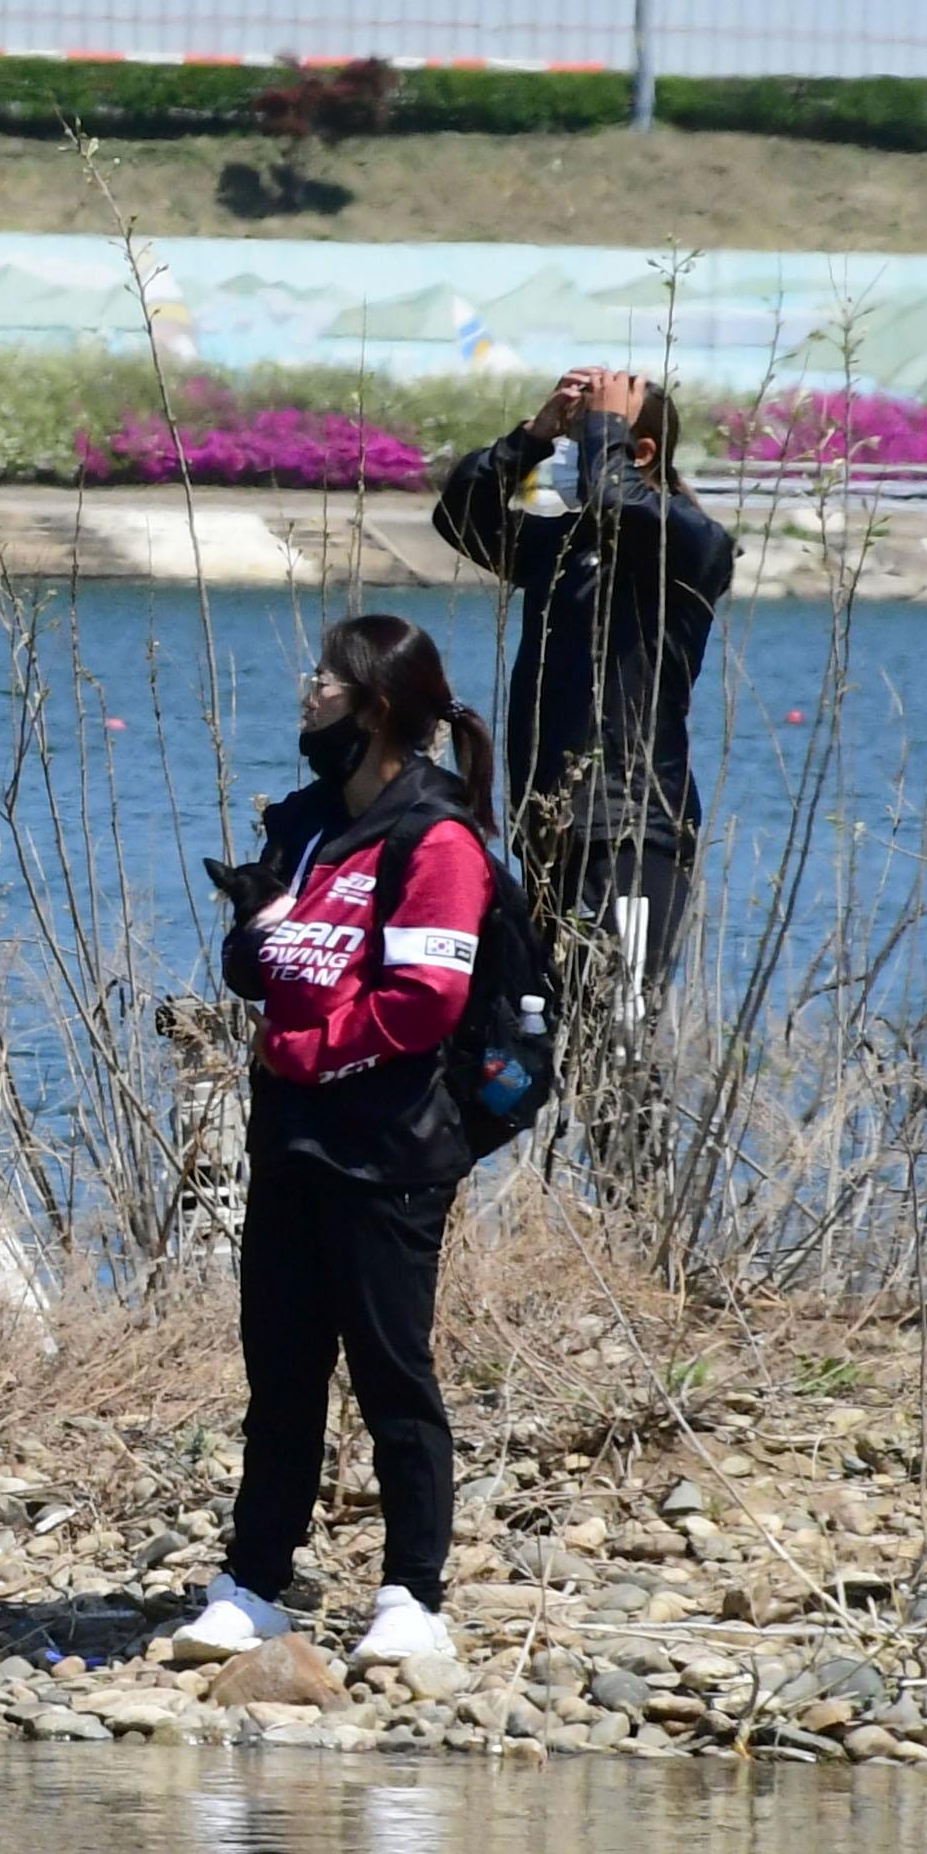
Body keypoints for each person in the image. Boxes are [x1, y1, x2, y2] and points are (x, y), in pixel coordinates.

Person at [175, 614, 496, 1671]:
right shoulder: (306, 822)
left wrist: (309, 1049)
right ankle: (255, 1581)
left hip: (392, 1149)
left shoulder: (436, 838)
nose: (307, 694)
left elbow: (425, 1001)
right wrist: (258, 940)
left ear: (379, 710)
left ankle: (414, 1592)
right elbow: (251, 961)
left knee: (393, 1373)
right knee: (281, 1369)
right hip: (294, 1141)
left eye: (325, 682)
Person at [430, 366, 736, 1004]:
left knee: (616, 1029)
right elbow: (461, 516)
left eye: (583, 448)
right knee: (553, 1025)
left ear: (639, 451)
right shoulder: (564, 549)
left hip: (630, 827)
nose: (570, 466)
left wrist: (607, 429)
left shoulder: (690, 546)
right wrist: (535, 437)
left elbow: (618, 499)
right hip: (549, 825)